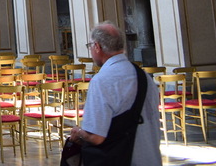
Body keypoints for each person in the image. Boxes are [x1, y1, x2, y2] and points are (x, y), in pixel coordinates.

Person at [69, 21, 161, 165]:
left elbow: (96, 137)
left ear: (97, 46)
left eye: (90, 46)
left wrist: (78, 132)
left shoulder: (102, 80)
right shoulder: (145, 77)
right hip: (151, 158)